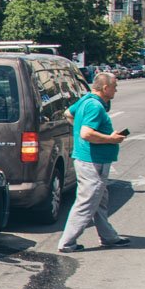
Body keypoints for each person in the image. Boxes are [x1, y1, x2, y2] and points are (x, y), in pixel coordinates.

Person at [57, 72, 129, 253]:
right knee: (87, 202)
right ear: (105, 88)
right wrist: (111, 139)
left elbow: (68, 113)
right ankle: (67, 243)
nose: (116, 90)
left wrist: (79, 128)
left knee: (100, 200)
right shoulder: (95, 106)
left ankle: (108, 237)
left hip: (88, 159)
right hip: (93, 162)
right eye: (114, 87)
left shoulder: (85, 100)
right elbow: (86, 133)